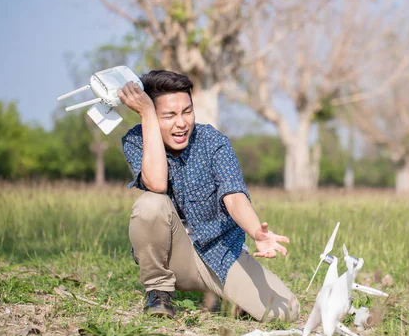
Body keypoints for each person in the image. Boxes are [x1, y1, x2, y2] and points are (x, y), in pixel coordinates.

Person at [119, 70, 300, 323]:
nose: (181, 123)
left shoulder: (212, 141)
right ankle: (159, 292)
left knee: (286, 313)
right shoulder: (136, 140)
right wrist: (147, 114)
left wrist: (256, 231)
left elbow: (234, 195)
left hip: (220, 254)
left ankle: (223, 298)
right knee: (150, 204)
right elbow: (157, 184)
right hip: (172, 257)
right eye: (169, 115)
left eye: (187, 111)